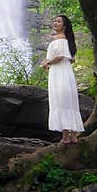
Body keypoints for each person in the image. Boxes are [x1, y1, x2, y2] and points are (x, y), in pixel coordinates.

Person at [40, 14, 84, 144]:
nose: (55, 23)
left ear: (64, 26)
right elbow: (69, 59)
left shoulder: (58, 38)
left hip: (59, 74)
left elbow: (59, 56)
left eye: (58, 21)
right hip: (64, 72)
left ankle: (66, 136)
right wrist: (49, 64)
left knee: (61, 101)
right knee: (68, 102)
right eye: (54, 21)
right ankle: (73, 135)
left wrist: (47, 63)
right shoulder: (67, 40)